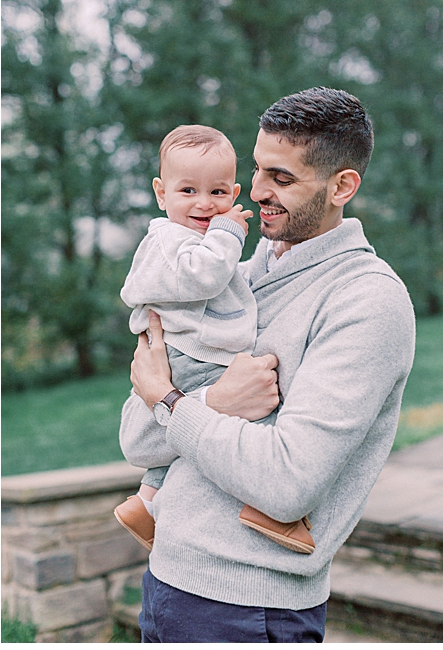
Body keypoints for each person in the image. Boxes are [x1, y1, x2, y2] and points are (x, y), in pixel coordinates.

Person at [120, 87, 415, 642]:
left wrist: (171, 402)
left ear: (341, 186)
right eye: (256, 170)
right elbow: (136, 438)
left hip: (249, 608)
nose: (253, 192)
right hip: (167, 581)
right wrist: (209, 402)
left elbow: (286, 483)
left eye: (281, 178)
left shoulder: (367, 300)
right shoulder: (236, 274)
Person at [113, 124, 314, 556]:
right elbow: (204, 274)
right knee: (259, 408)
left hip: (186, 351)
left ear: (234, 191)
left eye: (218, 192)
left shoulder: (189, 238)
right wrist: (227, 233)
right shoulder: (172, 239)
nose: (205, 204)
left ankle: (147, 502)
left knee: (185, 436)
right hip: (195, 354)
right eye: (188, 191)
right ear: (161, 193)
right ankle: (268, 505)